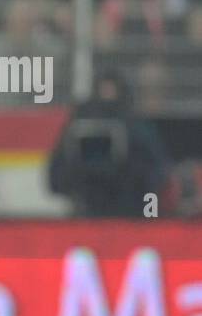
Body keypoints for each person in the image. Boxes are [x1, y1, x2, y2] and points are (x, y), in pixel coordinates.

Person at [46, 70, 171, 217]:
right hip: (87, 210)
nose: (107, 98)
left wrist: (130, 174)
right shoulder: (78, 125)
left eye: (112, 92)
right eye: (102, 92)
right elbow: (57, 176)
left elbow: (157, 171)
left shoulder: (136, 126)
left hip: (129, 211)